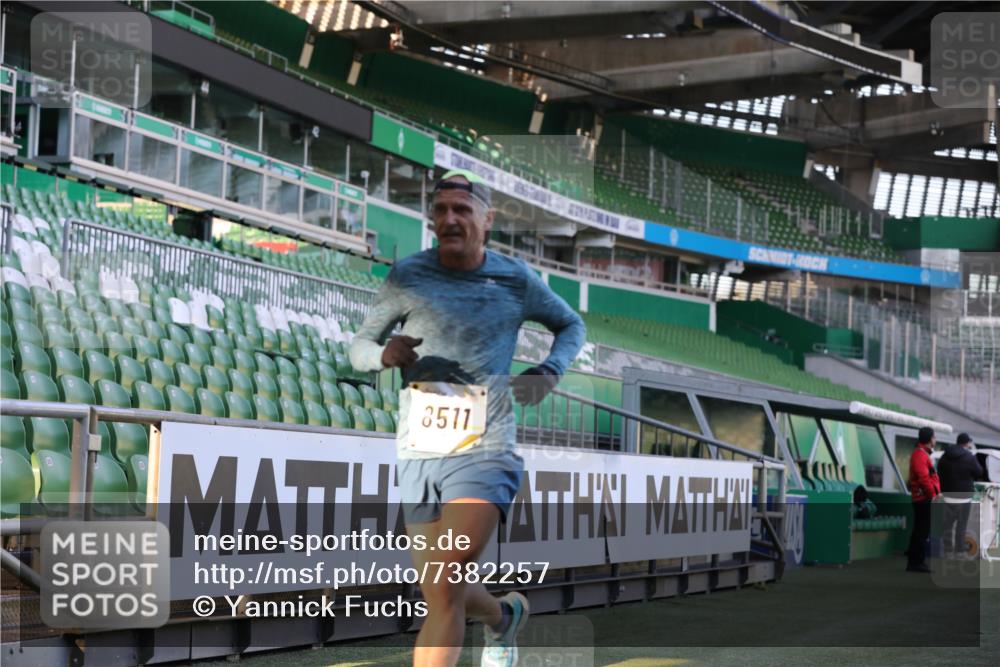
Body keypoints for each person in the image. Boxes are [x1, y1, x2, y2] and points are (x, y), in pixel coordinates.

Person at [349, 169, 586, 667]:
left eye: (462, 209)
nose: (450, 219)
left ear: (487, 219)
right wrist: (382, 355)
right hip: (420, 449)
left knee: (444, 575)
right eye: (440, 210)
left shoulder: (514, 279)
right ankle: (503, 617)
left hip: (485, 447)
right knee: (439, 590)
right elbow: (359, 347)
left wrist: (550, 370)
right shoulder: (407, 276)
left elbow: (571, 323)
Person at [937, 433, 985, 557]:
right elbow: (979, 471)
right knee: (961, 524)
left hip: (948, 495)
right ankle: (959, 551)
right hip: (963, 496)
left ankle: (947, 551)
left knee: (947, 523)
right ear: (967, 443)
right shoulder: (969, 456)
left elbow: (939, 470)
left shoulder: (945, 455)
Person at [906, 426, 941, 572]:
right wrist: (933, 495)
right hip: (923, 499)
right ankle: (916, 562)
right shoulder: (920, 455)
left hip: (923, 498)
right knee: (921, 531)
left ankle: (916, 561)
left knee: (920, 530)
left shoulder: (921, 454)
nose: (935, 439)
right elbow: (924, 478)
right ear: (929, 439)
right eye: (934, 437)